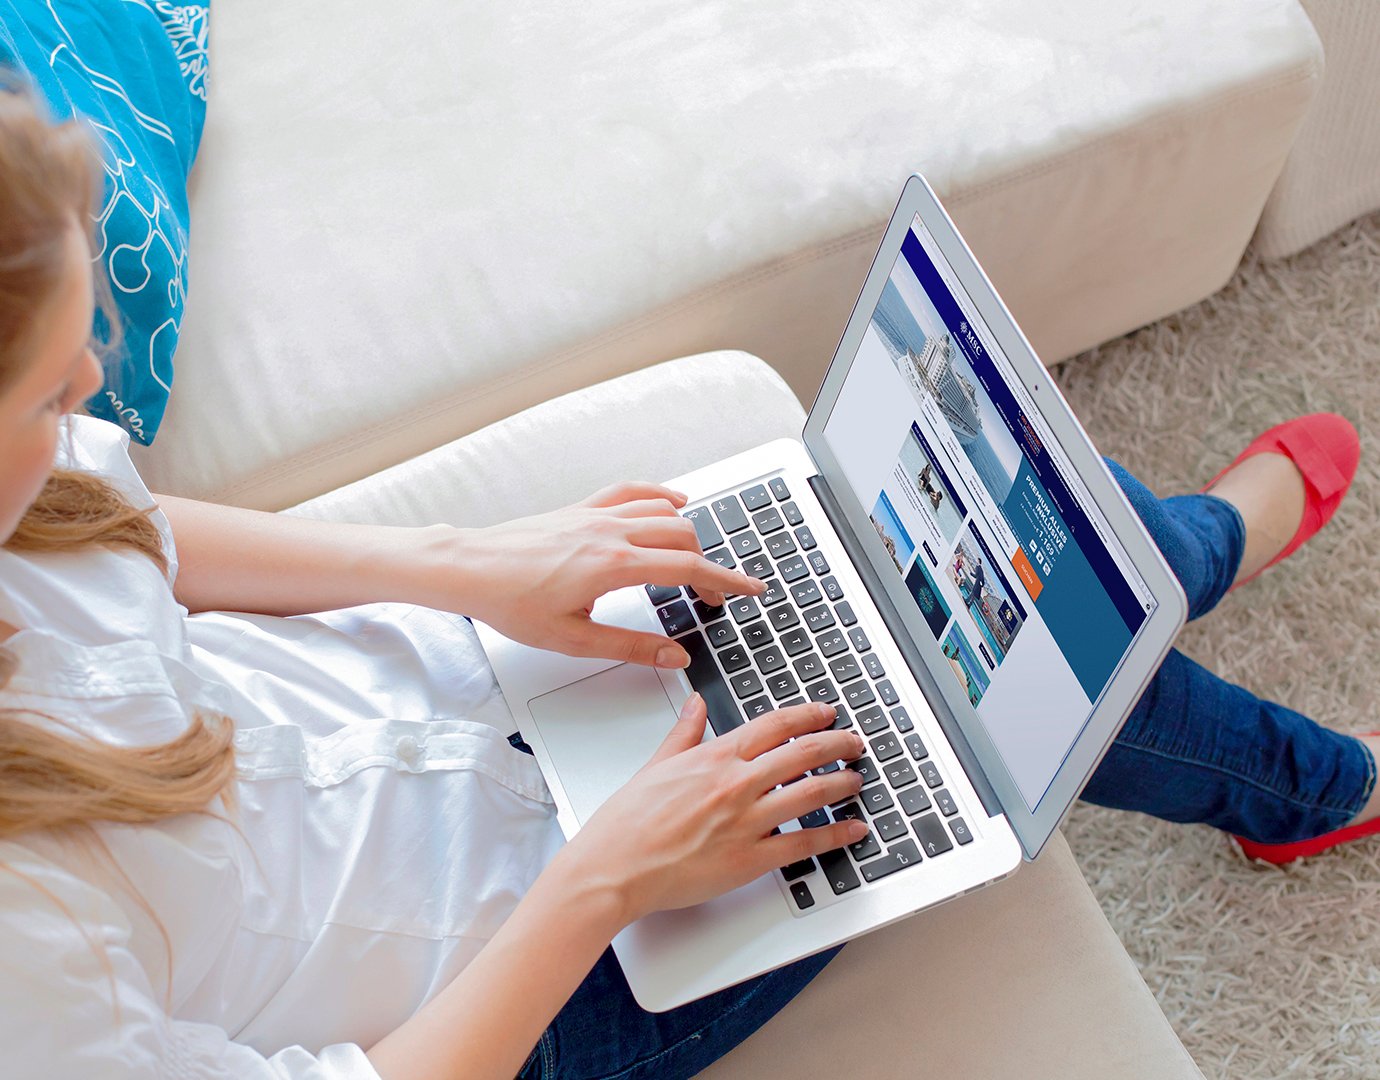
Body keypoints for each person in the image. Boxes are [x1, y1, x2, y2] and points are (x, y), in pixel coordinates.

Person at [1, 86, 1377, 1079]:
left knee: (889, 575)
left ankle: (1185, 558)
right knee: (973, 700)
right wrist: (604, 881)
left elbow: (127, 532)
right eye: (54, 395)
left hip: (457, 674)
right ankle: (1299, 755)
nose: (90, 398)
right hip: (539, 978)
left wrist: (463, 566)